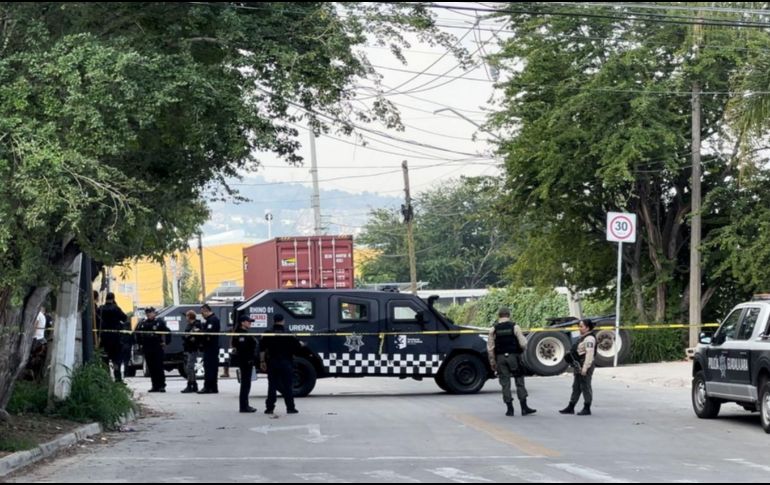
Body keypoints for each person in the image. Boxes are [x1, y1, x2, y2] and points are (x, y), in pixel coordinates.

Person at [487, 307, 537, 417]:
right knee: (519, 380)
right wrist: (520, 351)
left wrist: (492, 362)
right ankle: (524, 408)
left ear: (499, 316)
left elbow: (490, 348)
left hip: (500, 358)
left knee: (505, 383)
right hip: (514, 357)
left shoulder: (493, 329)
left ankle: (510, 409)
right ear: (509, 315)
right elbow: (523, 343)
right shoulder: (515, 327)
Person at [260, 314, 301, 415]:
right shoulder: (288, 333)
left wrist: (262, 361)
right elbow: (297, 346)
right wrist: (301, 344)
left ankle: (269, 408)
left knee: (272, 386)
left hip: (272, 362)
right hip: (286, 362)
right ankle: (290, 408)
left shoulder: (268, 333)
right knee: (288, 386)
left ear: (274, 320)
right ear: (283, 320)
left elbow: (262, 349)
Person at [560, 318, 597, 416]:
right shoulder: (583, 337)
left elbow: (589, 354)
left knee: (585, 386)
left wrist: (585, 368)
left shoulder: (590, 339)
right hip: (578, 364)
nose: (579, 328)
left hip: (585, 365)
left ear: (587, 328)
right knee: (576, 386)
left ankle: (587, 407)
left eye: (581, 326)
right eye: (579, 326)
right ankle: (571, 406)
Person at [135, 307, 171, 392]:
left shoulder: (159, 322)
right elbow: (137, 333)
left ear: (154, 313)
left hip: (157, 347)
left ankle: (161, 385)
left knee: (159, 367)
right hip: (147, 348)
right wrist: (140, 344)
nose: (149, 314)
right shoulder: (143, 323)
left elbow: (168, 332)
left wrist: (166, 342)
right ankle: (155, 386)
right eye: (147, 313)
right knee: (151, 368)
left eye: (150, 312)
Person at [98, 293, 129, 382]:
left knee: (105, 359)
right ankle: (118, 378)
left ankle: (106, 379)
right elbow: (124, 318)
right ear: (113, 299)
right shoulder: (116, 308)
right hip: (115, 338)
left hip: (104, 337)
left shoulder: (101, 309)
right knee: (116, 359)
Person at [232, 315, 258, 413]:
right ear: (242, 322)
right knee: (245, 384)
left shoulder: (244, 333)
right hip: (245, 361)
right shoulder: (241, 334)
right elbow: (243, 349)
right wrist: (249, 359)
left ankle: (245, 405)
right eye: (248, 321)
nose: (250, 323)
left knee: (246, 384)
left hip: (247, 361)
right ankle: (244, 406)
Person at [198, 304, 221, 394]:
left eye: (202, 313)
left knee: (209, 368)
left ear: (206, 311)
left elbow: (209, 333)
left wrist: (200, 331)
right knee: (212, 367)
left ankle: (208, 387)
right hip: (211, 347)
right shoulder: (211, 319)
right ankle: (213, 387)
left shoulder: (212, 320)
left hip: (210, 347)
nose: (202, 315)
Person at [181, 310, 203, 393]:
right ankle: (193, 384)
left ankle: (190, 384)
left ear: (190, 317)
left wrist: (189, 336)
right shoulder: (189, 325)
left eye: (187, 316)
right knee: (189, 367)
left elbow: (194, 337)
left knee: (189, 367)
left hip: (193, 348)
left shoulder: (196, 324)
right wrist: (188, 336)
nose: (186, 318)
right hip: (188, 348)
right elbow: (186, 336)